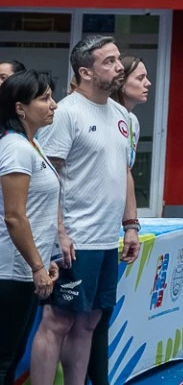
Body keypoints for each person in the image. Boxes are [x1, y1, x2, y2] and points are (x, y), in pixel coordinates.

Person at [37, 36, 135, 385]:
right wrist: (59, 232)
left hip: (107, 239)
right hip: (75, 239)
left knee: (90, 320)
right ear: (86, 72)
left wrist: (130, 225)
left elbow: (123, 173)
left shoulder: (122, 114)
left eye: (118, 59)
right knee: (58, 320)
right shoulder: (66, 113)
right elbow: (49, 177)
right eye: (108, 61)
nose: (119, 66)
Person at [85, 56, 149, 385]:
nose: (147, 83)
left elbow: (123, 174)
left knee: (100, 311)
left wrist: (130, 224)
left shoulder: (127, 120)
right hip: (86, 231)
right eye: (140, 77)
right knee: (81, 317)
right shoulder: (86, 114)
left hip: (108, 229)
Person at [1, 70, 63, 385]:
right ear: (19, 107)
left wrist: (44, 258)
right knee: (3, 359)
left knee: (8, 358)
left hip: (24, 268)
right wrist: (36, 265)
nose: (53, 105)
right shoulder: (16, 148)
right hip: (10, 272)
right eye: (44, 98)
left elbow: (35, 214)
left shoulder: (31, 145)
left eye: (51, 96)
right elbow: (14, 215)